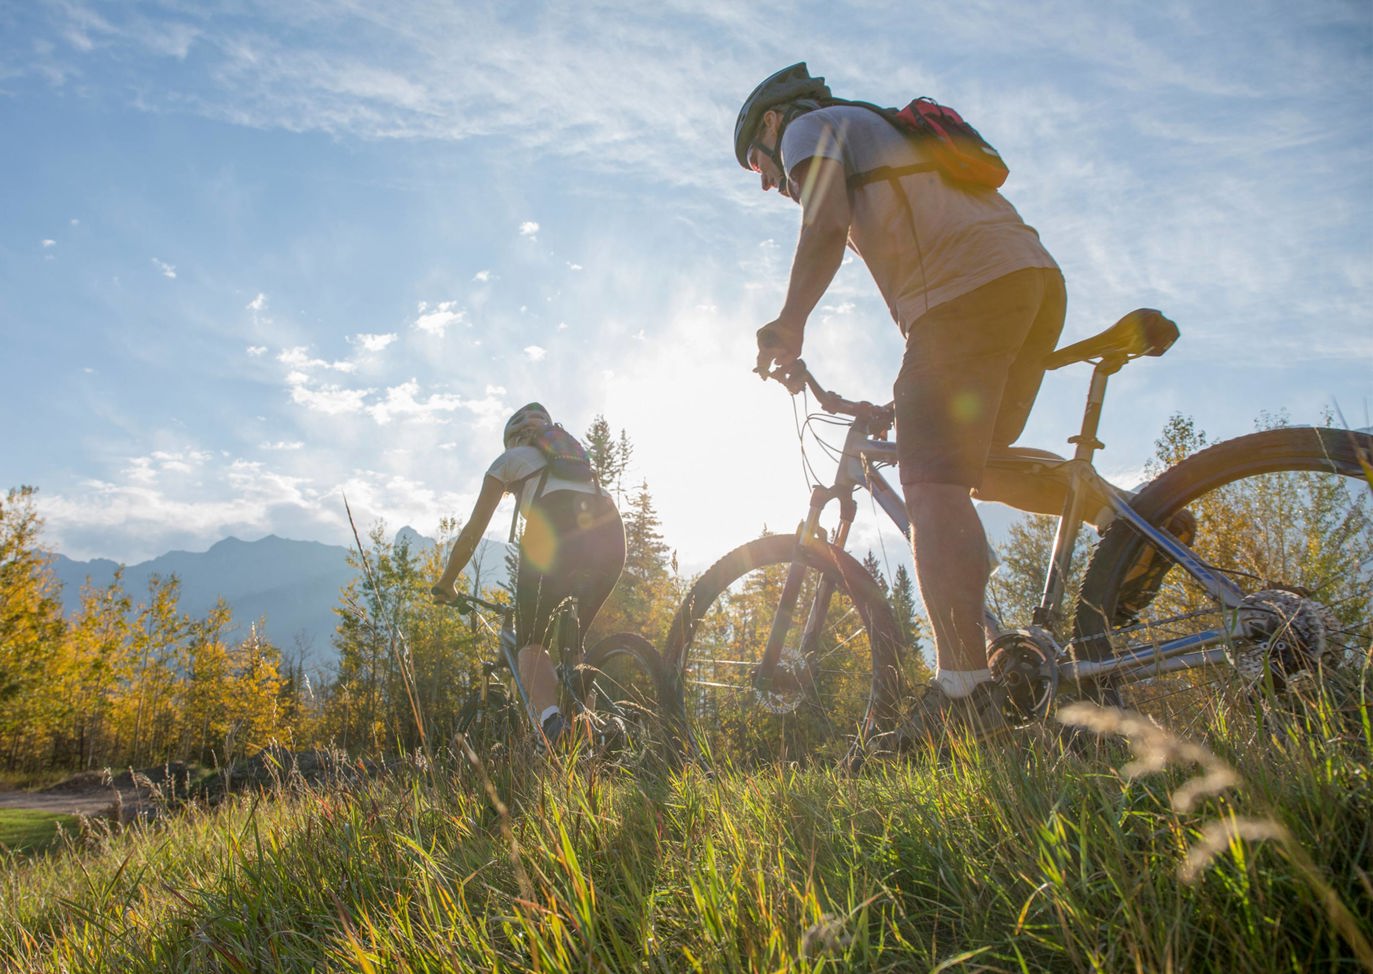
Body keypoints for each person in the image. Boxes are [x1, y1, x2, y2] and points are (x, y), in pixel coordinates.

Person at [736, 63, 1072, 740]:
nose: (769, 183)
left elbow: (824, 222)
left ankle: (962, 697)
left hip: (961, 295)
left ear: (772, 124)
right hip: (1028, 280)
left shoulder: (808, 127)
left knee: (931, 484)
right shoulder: (877, 127)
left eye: (756, 166)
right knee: (970, 467)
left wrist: (790, 320)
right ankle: (1122, 519)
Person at [432, 403, 626, 745]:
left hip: (556, 528)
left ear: (511, 440)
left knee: (531, 643)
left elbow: (473, 530)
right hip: (610, 532)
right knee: (574, 644)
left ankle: (552, 727)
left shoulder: (511, 460)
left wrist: (447, 581)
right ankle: (590, 735)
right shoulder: (573, 461)